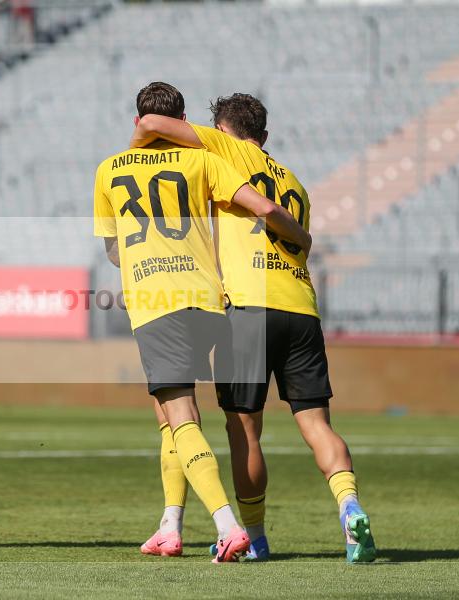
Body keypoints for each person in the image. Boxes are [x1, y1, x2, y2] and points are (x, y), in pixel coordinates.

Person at [131, 93, 377, 563]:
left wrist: (138, 146)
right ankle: (350, 507)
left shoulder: (222, 148)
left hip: (248, 309)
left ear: (222, 130)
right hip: (302, 309)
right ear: (264, 135)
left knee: (244, 431)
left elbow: (152, 124)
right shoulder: (296, 183)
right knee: (317, 425)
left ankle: (257, 540)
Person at [94, 82, 310, 563]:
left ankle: (227, 525)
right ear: (183, 119)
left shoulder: (109, 169)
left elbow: (113, 251)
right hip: (210, 302)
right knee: (170, 418)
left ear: (137, 122)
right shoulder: (205, 161)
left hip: (157, 301)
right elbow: (257, 208)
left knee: (181, 417)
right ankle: (169, 525)